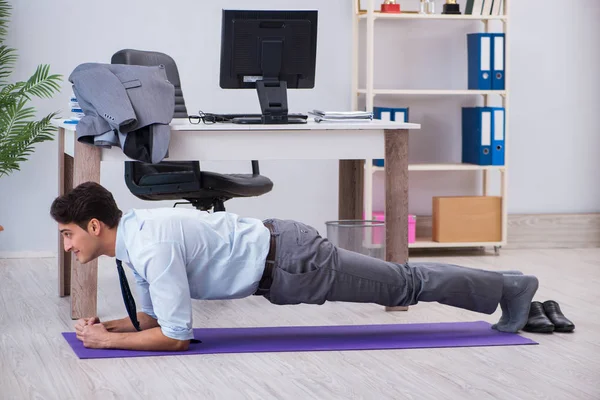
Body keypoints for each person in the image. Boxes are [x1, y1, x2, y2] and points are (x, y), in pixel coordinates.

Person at [50, 181, 539, 351]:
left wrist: (110, 341)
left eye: (68, 234)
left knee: (403, 286)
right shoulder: (135, 237)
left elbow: (176, 337)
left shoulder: (149, 246)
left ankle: (509, 287)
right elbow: (155, 319)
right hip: (282, 255)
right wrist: (107, 326)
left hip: (295, 262)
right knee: (402, 285)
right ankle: (507, 288)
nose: (68, 246)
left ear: (94, 226)